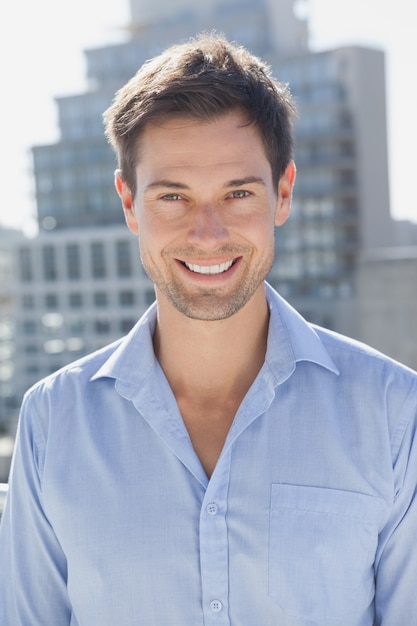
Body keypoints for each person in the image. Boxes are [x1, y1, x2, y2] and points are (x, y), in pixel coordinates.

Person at [0, 32, 416, 626]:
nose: (208, 234)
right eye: (174, 196)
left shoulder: (395, 415)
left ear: (284, 193)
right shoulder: (52, 423)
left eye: (238, 193)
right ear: (128, 201)